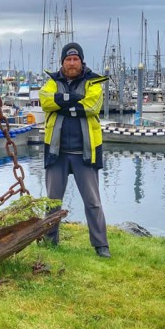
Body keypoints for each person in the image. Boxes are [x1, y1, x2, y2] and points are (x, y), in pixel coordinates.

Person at [39, 42, 111, 258]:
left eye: (75, 59)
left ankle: (101, 246)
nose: (72, 63)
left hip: (85, 153)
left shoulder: (93, 82)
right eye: (68, 59)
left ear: (81, 61)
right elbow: (45, 101)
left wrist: (62, 103)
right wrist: (74, 103)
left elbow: (92, 106)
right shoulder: (52, 81)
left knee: (93, 202)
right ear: (62, 62)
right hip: (56, 151)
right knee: (52, 201)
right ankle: (49, 240)